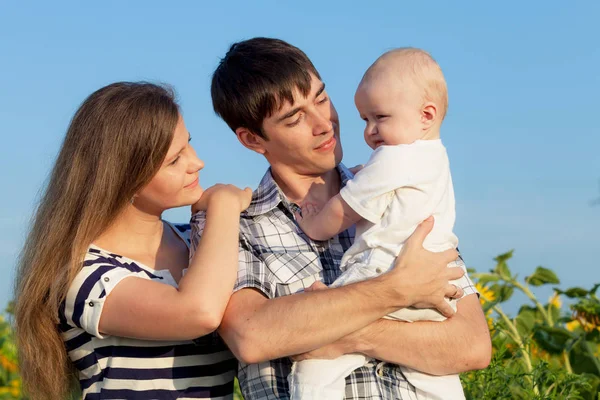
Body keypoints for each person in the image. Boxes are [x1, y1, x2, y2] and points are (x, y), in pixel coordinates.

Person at [196, 37, 492, 400]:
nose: (324, 124)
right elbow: (253, 336)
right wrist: (397, 289)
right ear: (253, 140)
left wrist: (338, 332)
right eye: (295, 118)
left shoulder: (405, 190)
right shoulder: (235, 225)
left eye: (320, 98)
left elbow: (471, 345)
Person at [14, 82, 251, 400]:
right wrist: (223, 204)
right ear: (125, 176)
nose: (197, 163)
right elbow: (198, 313)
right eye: (174, 160)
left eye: (189, 145)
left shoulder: (198, 240)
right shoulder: (79, 274)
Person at [289, 48, 465, 400]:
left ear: (426, 115)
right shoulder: (436, 158)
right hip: (435, 286)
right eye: (364, 120)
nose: (369, 132)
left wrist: (311, 224)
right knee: (435, 375)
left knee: (318, 356)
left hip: (382, 268)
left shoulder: (394, 157)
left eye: (380, 117)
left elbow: (343, 211)